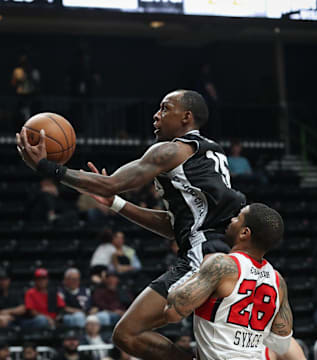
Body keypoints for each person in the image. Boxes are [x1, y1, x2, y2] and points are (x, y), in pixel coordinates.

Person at [17, 89, 246, 359]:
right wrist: (117, 203)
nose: (156, 115)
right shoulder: (212, 153)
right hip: (226, 254)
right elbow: (173, 227)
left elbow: (111, 182)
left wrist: (49, 168)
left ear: (186, 117)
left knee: (128, 333)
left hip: (203, 255)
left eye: (164, 108)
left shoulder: (173, 150)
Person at [164, 203, 301, 360]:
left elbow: (172, 312)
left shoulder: (221, 265)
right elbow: (281, 344)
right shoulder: (278, 280)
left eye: (238, 218)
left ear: (244, 233)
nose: (231, 220)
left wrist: (195, 271)